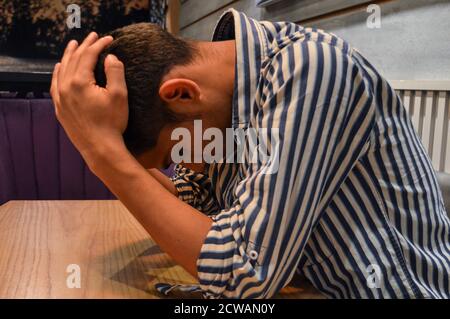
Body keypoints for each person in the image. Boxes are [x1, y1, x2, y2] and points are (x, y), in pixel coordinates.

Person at [50, 9, 450, 298]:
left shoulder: (310, 69)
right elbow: (198, 212)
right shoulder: (222, 107)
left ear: (182, 94)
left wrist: (105, 156)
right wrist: (99, 148)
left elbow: (244, 271)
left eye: (172, 156)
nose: (182, 167)